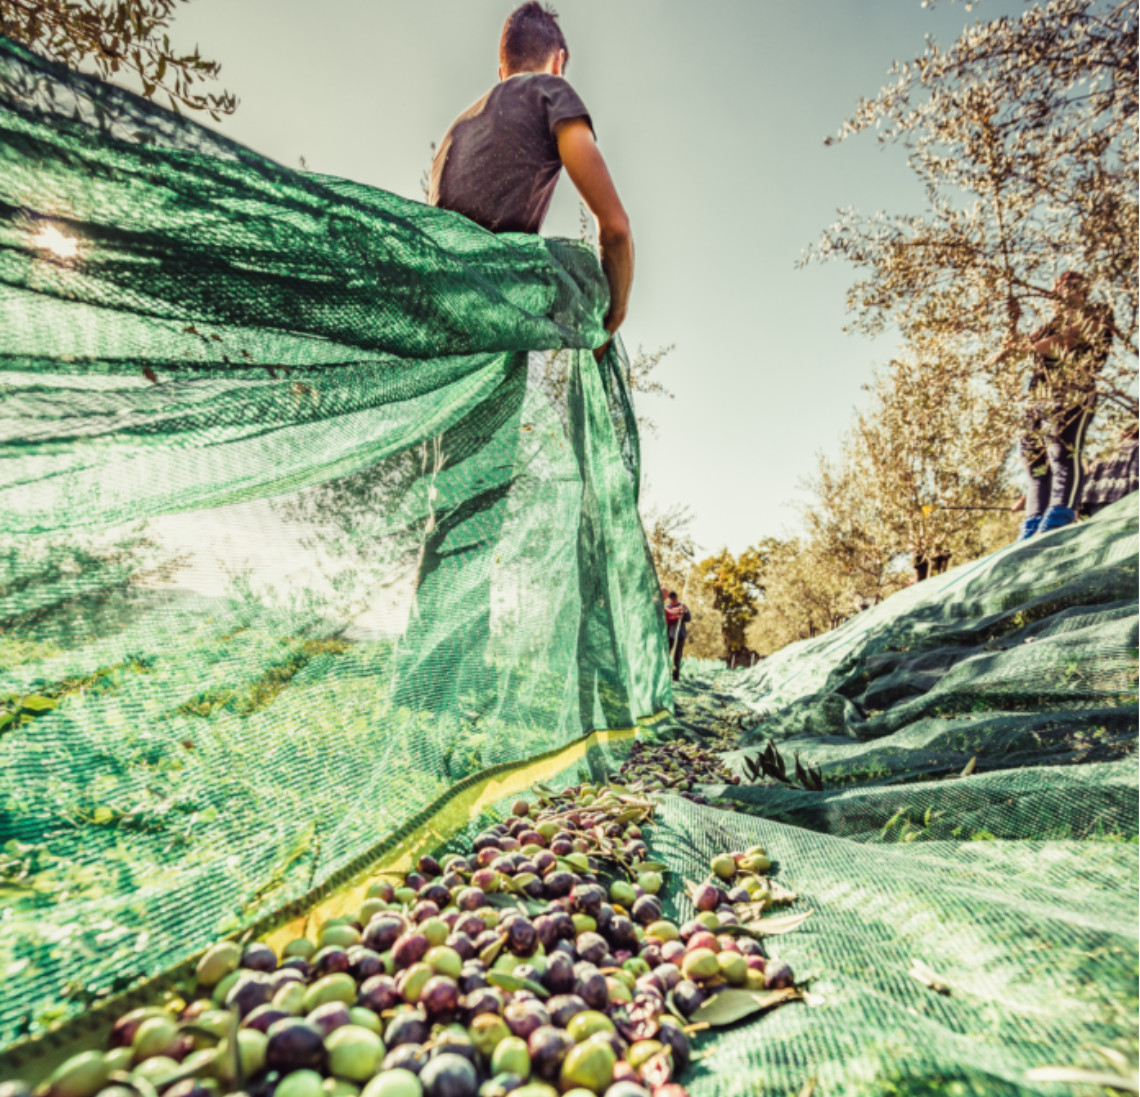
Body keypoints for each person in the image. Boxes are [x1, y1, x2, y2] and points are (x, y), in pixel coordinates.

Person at [428, 1, 633, 359]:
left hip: (434, 321)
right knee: (584, 273)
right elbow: (615, 229)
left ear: (501, 69)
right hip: (487, 327)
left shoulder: (453, 132)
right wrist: (612, 319)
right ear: (558, 62)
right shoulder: (549, 91)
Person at [991, 272, 1114, 539]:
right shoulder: (1047, 328)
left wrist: (1027, 348)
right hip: (1038, 399)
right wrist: (1012, 322)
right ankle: (1032, 524)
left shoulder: (1096, 315)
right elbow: (1005, 355)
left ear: (1084, 291)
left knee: (1062, 453)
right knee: (1033, 460)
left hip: (1073, 394)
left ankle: (1059, 517)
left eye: (1072, 288)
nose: (1064, 294)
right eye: (1059, 289)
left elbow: (1069, 339)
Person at [1080, 423, 1139, 518]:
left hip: (1096, 500)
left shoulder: (1107, 451)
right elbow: (1135, 476)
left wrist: (1083, 502)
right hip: (1121, 500)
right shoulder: (1137, 447)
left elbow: (1090, 475)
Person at [663, 590, 691, 682]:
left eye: (674, 599)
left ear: (677, 598)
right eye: (671, 599)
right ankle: (665, 674)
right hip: (669, 635)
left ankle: (675, 677)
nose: (673, 600)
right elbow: (666, 617)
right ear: (669, 600)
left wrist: (684, 614)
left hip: (679, 636)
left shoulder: (682, 606)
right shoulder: (667, 607)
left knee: (677, 657)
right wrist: (676, 615)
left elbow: (688, 618)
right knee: (665, 654)